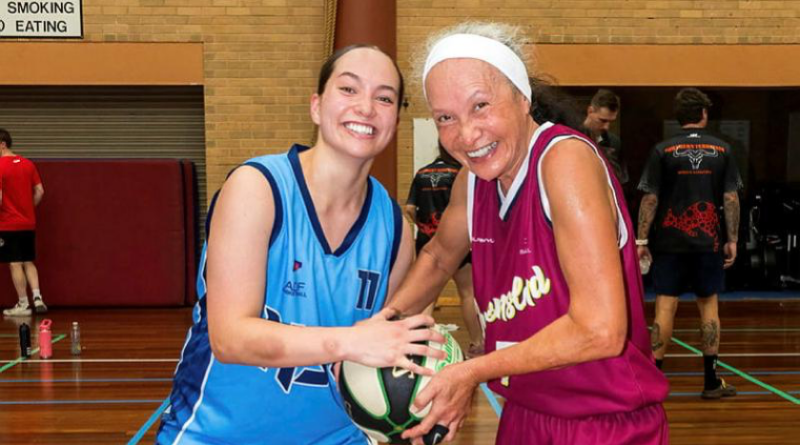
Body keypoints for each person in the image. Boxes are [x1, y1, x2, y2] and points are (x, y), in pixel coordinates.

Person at [386, 22, 669, 444]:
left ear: (523, 98)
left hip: (603, 423)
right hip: (525, 414)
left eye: (481, 105)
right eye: (446, 117)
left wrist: (468, 371)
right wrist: (383, 326)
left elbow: (600, 330)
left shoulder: (564, 160)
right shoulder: (473, 181)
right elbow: (439, 256)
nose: (465, 134)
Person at [156, 45, 445, 445]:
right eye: (348, 89)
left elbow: (399, 347)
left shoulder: (393, 227)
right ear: (316, 106)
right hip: (216, 434)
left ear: (395, 119)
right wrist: (350, 341)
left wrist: (432, 397)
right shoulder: (258, 188)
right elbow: (230, 338)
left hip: (341, 437)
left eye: (384, 97)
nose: (366, 107)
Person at [636, 87, 742, 400]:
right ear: (704, 115)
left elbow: (650, 198)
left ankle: (654, 381)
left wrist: (642, 238)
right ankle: (711, 381)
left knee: (665, 307)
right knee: (709, 306)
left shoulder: (662, 150)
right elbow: (730, 197)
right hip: (708, 242)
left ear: (679, 117)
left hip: (669, 242)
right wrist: (732, 239)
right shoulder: (723, 150)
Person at [405, 141, 484, 357]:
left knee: (428, 297)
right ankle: (477, 344)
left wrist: (424, 225)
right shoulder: (460, 174)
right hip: (457, 244)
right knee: (468, 293)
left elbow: (410, 208)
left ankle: (418, 346)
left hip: (426, 242)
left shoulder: (421, 173)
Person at [0, 129, 47, 317]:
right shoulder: (28, 164)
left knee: (14, 263)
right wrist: (28, 210)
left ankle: (23, 304)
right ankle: (38, 297)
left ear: (2, 144)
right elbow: (40, 191)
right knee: (28, 260)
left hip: (8, 224)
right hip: (28, 223)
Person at [583, 88, 628, 184]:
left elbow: (621, 180)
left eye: (611, 121)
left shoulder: (614, 142)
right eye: (602, 120)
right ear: (590, 111)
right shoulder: (572, 137)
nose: (606, 127)